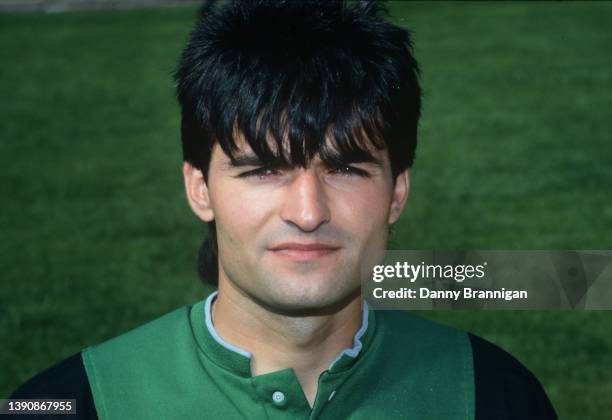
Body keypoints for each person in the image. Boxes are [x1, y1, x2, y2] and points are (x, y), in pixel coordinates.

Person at [7, 1, 557, 419]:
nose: (308, 210)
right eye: (264, 169)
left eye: (345, 168)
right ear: (199, 189)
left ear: (397, 193)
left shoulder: (494, 394)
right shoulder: (68, 403)